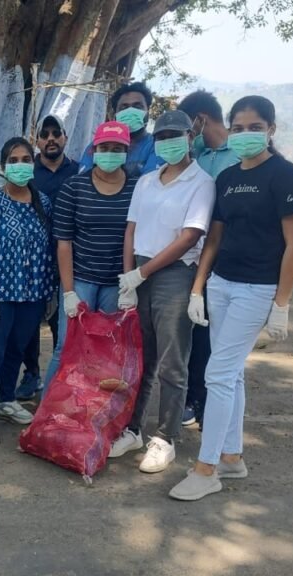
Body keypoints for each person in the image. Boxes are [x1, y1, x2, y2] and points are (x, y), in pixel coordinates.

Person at [169, 96, 293, 501]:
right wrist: (198, 286)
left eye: (255, 127)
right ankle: (231, 457)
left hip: (257, 289)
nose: (246, 134)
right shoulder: (227, 178)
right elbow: (214, 239)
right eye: (239, 127)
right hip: (222, 284)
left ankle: (205, 468)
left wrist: (281, 304)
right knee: (232, 374)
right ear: (228, 129)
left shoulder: (285, 175)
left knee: (217, 375)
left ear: (271, 130)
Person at [108, 110, 215, 474]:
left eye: (175, 134)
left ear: (190, 135)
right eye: (162, 135)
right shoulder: (147, 181)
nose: (168, 140)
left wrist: (142, 272)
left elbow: (190, 236)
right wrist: (128, 277)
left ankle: (166, 437)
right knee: (141, 358)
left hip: (173, 276)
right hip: (140, 271)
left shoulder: (201, 182)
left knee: (172, 360)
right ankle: (133, 429)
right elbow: (130, 230)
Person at [0, 137, 55, 446]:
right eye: (13, 160)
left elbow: (48, 250)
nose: (20, 165)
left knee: (16, 350)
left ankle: (6, 399)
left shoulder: (42, 202)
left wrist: (49, 292)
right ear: (5, 166)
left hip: (31, 294)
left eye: (25, 159)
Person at [42, 121, 139, 391]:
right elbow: (64, 242)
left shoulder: (137, 188)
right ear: (94, 150)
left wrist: (129, 283)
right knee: (66, 345)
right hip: (81, 279)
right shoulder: (74, 187)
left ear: (127, 151)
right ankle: (48, 413)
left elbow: (135, 235)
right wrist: (69, 291)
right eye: (104, 147)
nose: (110, 153)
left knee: (106, 349)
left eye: (117, 148)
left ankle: (93, 415)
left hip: (115, 283)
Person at [177, 90, 243, 428]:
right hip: (197, 256)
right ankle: (195, 399)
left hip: (232, 257)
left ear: (201, 119)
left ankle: (217, 405)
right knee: (198, 330)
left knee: (225, 336)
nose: (187, 136)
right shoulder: (197, 155)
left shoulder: (242, 154)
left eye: (190, 127)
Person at [17, 114, 80, 400]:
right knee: (29, 324)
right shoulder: (28, 174)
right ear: (37, 140)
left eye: (57, 133)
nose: (51, 138)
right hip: (33, 261)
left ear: (65, 137)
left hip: (70, 261)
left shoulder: (80, 172)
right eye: (45, 134)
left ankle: (63, 377)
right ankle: (31, 374)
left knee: (63, 324)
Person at [78, 82, 161, 176]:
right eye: (124, 107)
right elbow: (83, 180)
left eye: (137, 106)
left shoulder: (156, 146)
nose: (130, 111)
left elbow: (151, 184)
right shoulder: (97, 145)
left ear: (148, 111)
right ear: (115, 114)